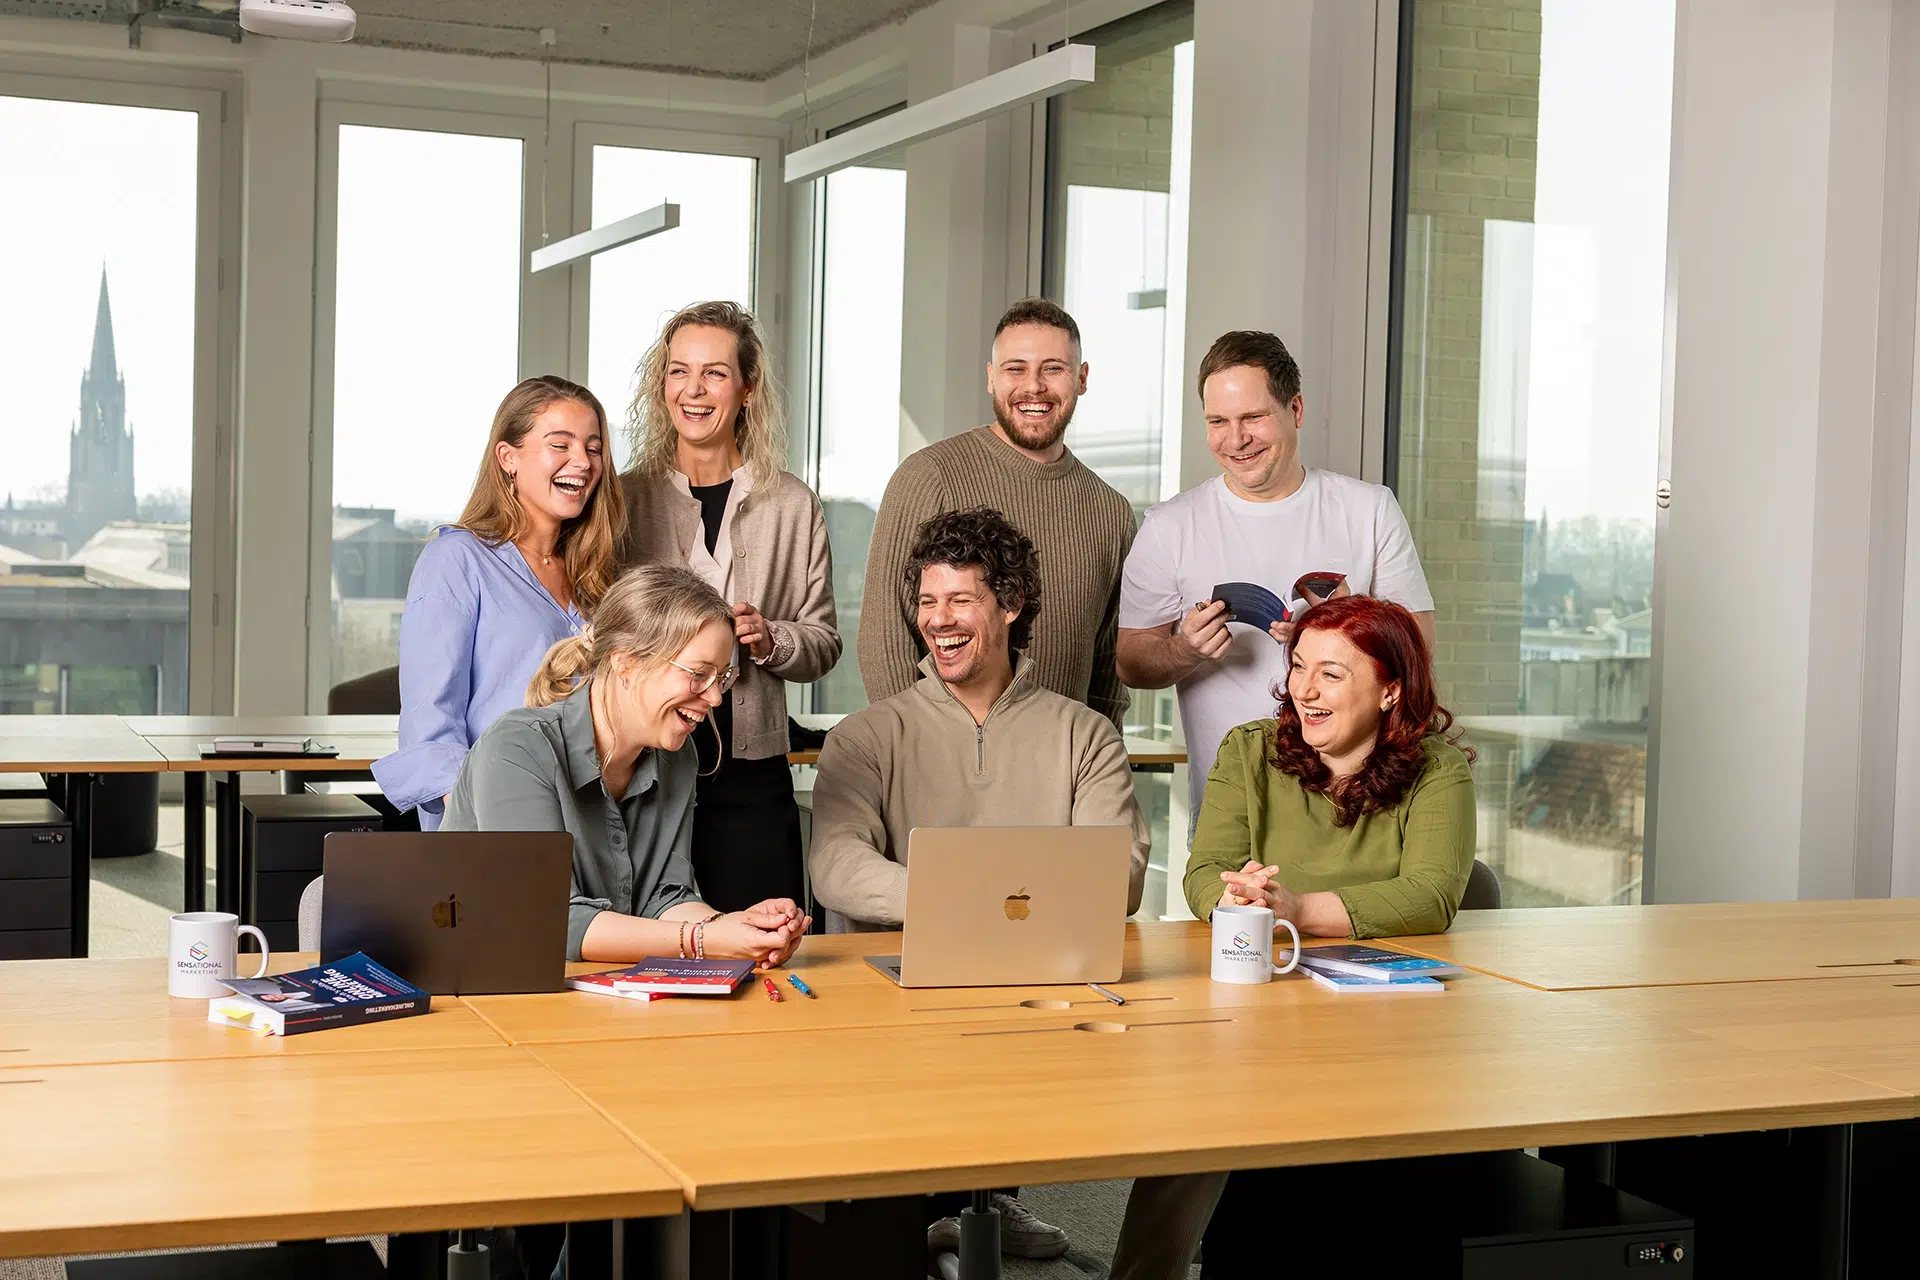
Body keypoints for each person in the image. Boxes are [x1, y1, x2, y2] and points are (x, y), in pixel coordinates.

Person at [811, 507, 1147, 1268]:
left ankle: (986, 1203)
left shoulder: (1084, 734)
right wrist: (968, 898)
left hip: (1038, 986)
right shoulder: (865, 737)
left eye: (960, 600)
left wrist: (989, 903)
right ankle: (934, 1210)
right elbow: (835, 864)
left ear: (1010, 604)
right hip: (900, 987)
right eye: (928, 602)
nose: (940, 620)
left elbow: (1117, 873)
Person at [1107, 594, 1474, 1280]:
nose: (1305, 688)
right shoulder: (1251, 750)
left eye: (1332, 674)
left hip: (1386, 1017)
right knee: (1201, 1119)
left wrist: (1298, 908)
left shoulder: (1436, 770)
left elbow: (1432, 894)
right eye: (1299, 666)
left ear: (1390, 689)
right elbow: (1203, 875)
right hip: (1256, 996)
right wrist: (1238, 898)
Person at [1116, 330, 1435, 823]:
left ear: (1297, 410)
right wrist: (1185, 650)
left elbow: (1419, 647)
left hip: (1360, 808)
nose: (1235, 439)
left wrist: (1352, 624)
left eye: (1253, 418)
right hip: (1233, 816)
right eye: (1218, 421)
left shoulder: (1370, 510)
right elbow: (1131, 663)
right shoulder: (1169, 526)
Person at [442, 564, 811, 966]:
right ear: (627, 663)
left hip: (589, 996)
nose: (716, 698)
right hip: (482, 999)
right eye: (699, 674)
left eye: (722, 677)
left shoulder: (677, 756)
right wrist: (705, 940)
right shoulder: (516, 750)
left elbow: (664, 897)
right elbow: (545, 921)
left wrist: (738, 929)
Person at [622, 300, 840, 911]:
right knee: (652, 957)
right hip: (644, 768)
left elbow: (822, 641)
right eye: (678, 371)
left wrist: (772, 641)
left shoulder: (793, 505)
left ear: (746, 388)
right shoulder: (624, 499)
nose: (694, 390)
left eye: (715, 373)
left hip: (751, 773)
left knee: (761, 948)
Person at [857, 297, 1135, 729]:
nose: (1034, 387)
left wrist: (1100, 756)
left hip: (1063, 768)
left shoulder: (1111, 512)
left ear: (1081, 379)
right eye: (1016, 368)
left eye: (1053, 368)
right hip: (943, 763)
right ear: (991, 378)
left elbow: (1105, 667)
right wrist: (914, 750)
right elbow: (885, 636)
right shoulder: (930, 477)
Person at [373, 376, 626, 831]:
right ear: (508, 458)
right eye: (560, 444)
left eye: (593, 447)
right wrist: (483, 828)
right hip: (493, 825)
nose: (582, 463)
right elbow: (431, 722)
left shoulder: (599, 576)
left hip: (591, 822)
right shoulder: (455, 560)